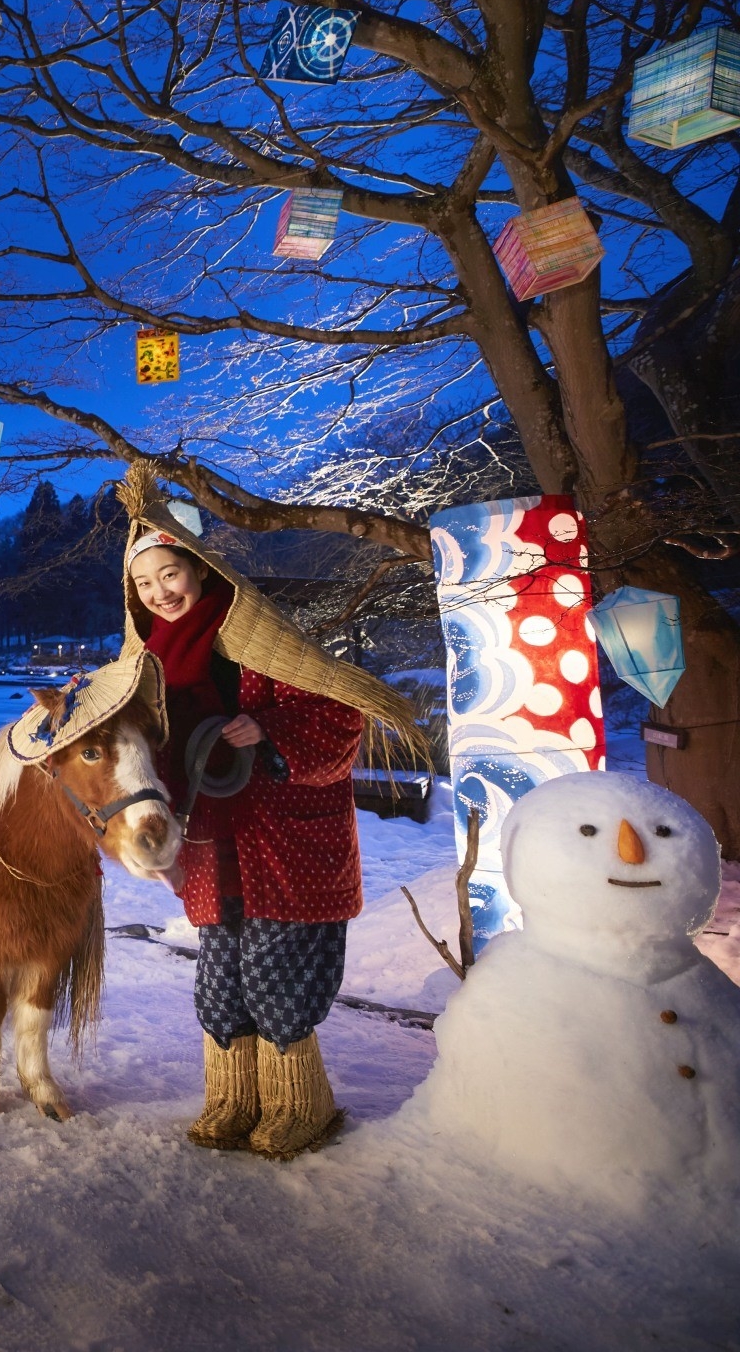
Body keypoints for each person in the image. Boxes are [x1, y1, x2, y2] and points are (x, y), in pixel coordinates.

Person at [120, 487, 425, 1161]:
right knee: (220, 979)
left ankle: (298, 1104)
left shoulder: (268, 639)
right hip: (212, 841)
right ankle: (233, 1097)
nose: (160, 593)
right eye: (144, 583)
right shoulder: (148, 665)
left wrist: (268, 729)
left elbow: (339, 717)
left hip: (284, 841)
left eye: (170, 574)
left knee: (276, 974)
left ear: (200, 570)